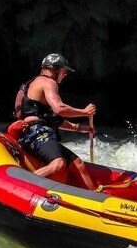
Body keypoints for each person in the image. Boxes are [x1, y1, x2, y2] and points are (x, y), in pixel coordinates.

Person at [13, 53, 97, 189]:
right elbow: (59, 108)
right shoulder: (48, 82)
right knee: (58, 163)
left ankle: (95, 199)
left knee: (79, 164)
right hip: (37, 132)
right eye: (63, 71)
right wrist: (84, 112)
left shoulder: (36, 85)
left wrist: (81, 128)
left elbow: (55, 120)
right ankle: (19, 185)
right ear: (55, 69)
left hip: (38, 131)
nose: (65, 75)